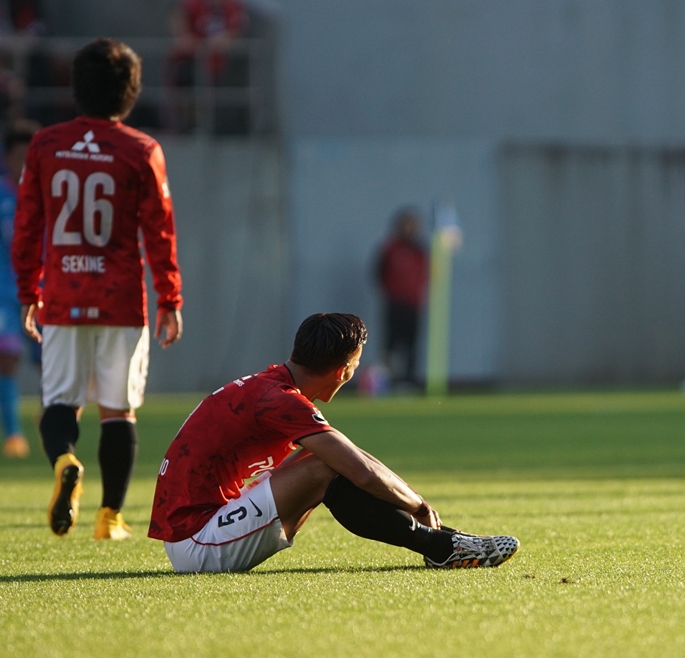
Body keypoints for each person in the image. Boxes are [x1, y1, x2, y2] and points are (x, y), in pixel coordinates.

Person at [149, 313, 519, 573]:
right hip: (197, 544)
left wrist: (414, 502)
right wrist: (419, 505)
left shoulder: (273, 387)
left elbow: (356, 458)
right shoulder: (280, 399)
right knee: (328, 465)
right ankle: (439, 547)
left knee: (329, 458)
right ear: (344, 369)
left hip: (196, 531)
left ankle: (445, 540)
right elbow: (359, 471)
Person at [11, 38, 184, 538]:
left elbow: (27, 226)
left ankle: (66, 460)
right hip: (122, 300)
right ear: (130, 92)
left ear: (76, 88)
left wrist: (29, 292)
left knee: (60, 403)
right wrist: (170, 298)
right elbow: (160, 231)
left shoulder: (44, 145)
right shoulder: (142, 149)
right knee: (118, 409)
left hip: (63, 297)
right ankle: (109, 518)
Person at [166, 0, 248, 132]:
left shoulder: (232, 5)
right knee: (188, 89)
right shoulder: (194, 1)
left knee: (218, 98)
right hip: (189, 62)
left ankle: (208, 128)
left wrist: (221, 42)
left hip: (216, 65)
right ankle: (189, 127)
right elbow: (178, 17)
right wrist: (187, 40)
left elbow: (235, 31)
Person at [0, 118, 37, 458]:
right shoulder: (1, 195)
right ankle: (13, 433)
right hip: (5, 294)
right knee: (6, 358)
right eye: (18, 157)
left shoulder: (47, 195)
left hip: (43, 292)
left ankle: (51, 423)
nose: (23, 165)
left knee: (51, 364)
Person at [375, 208, 429, 386]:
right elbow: (379, 273)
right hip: (395, 304)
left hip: (414, 304)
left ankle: (409, 381)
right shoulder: (390, 249)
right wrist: (391, 292)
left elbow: (427, 274)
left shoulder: (420, 251)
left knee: (411, 345)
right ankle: (387, 381)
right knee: (390, 345)